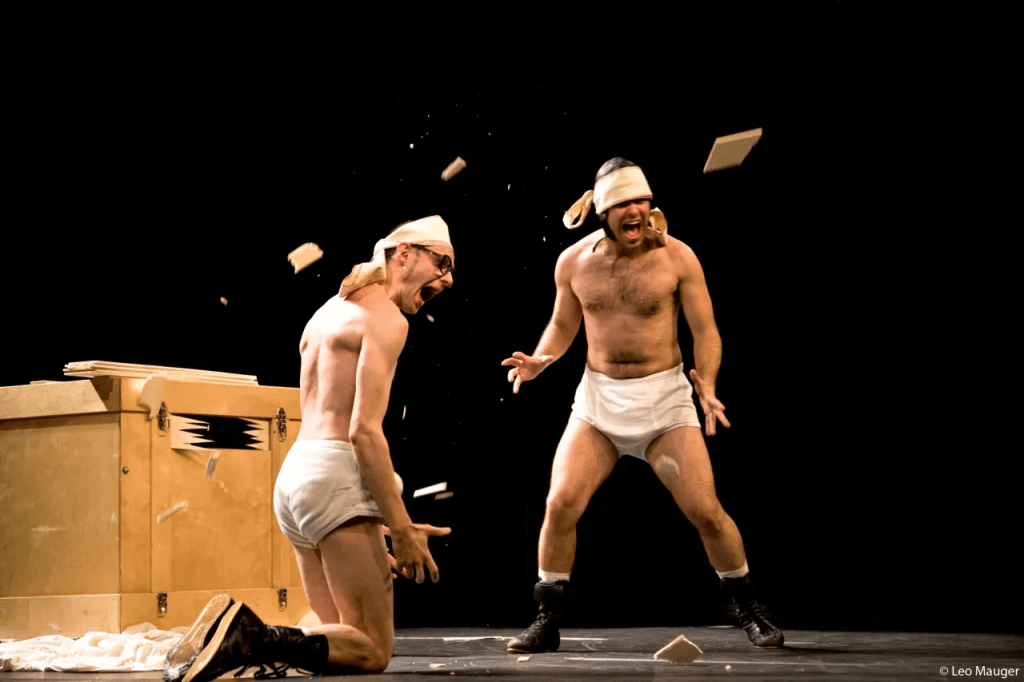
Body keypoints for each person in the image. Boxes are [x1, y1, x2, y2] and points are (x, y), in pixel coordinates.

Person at [502, 159, 784, 652]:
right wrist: (540, 361)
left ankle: (748, 606)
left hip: (664, 404)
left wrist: (708, 384)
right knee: (560, 503)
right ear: (604, 212)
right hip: (598, 404)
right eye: (625, 205)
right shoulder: (573, 262)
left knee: (706, 511)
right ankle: (547, 618)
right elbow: (563, 325)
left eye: (643, 202)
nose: (636, 212)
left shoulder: (678, 257)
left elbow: (706, 331)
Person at [164, 216, 457, 682]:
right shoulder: (385, 318)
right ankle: (252, 637)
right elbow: (363, 433)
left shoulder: (327, 312)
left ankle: (235, 640)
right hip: (335, 478)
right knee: (372, 650)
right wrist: (399, 527)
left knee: (338, 643)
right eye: (442, 263)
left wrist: (369, 518)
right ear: (404, 254)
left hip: (297, 478)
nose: (448, 278)